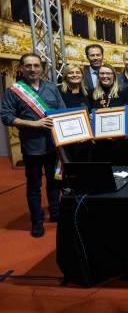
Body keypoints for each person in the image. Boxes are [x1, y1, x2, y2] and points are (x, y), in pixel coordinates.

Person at [1, 53, 66, 237]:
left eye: (36, 65)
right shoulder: (13, 91)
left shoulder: (52, 88)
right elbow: (6, 117)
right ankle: (37, 221)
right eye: (28, 66)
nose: (32, 69)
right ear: (21, 68)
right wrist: (33, 124)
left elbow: (62, 112)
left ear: (42, 68)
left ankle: (55, 213)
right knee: (34, 185)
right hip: (32, 147)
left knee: (55, 182)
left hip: (54, 145)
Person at [89, 64, 128, 165]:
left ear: (114, 76)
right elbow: (89, 112)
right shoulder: (92, 93)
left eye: (108, 73)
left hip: (119, 141)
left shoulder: (123, 91)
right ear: (98, 76)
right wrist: (90, 117)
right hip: (99, 142)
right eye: (102, 73)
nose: (105, 76)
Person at [58, 64, 91, 162]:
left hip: (85, 139)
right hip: (67, 139)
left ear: (82, 75)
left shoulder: (87, 92)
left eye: (77, 72)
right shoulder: (58, 91)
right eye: (71, 73)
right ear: (65, 76)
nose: (74, 75)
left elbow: (91, 110)